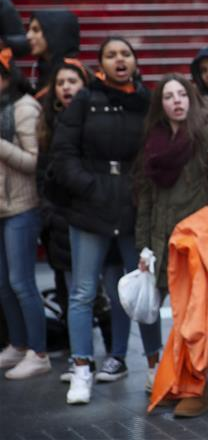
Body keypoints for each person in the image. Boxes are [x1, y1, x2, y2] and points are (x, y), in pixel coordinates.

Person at [51, 37, 163, 405]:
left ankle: (154, 366)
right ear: (101, 64)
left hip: (133, 207)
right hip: (90, 206)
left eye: (125, 54)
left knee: (141, 290)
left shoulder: (147, 101)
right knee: (83, 292)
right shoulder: (85, 100)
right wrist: (88, 186)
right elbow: (63, 152)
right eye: (111, 55)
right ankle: (81, 367)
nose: (119, 60)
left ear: (134, 61)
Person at [135, 74, 208, 417]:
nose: (177, 100)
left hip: (201, 243)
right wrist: (144, 247)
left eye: (182, 94)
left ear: (191, 99)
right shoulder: (153, 143)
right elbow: (146, 200)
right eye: (169, 96)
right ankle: (178, 384)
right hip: (164, 244)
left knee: (197, 319)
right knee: (181, 318)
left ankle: (198, 388)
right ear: (160, 105)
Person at [35, 59, 117, 373]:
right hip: (58, 219)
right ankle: (79, 356)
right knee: (72, 292)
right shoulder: (48, 124)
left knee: (97, 292)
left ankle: (113, 352)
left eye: (73, 81)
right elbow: (44, 174)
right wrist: (50, 213)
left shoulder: (95, 118)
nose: (66, 87)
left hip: (91, 214)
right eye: (61, 83)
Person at [0, 49, 49, 380]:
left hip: (22, 206)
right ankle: (17, 345)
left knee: (21, 282)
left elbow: (34, 161)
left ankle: (39, 352)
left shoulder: (25, 108)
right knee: (3, 284)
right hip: (2, 208)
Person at [25, 10, 80, 98]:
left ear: (55, 33)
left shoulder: (74, 72)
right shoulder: (42, 69)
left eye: (36, 30)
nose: (28, 36)